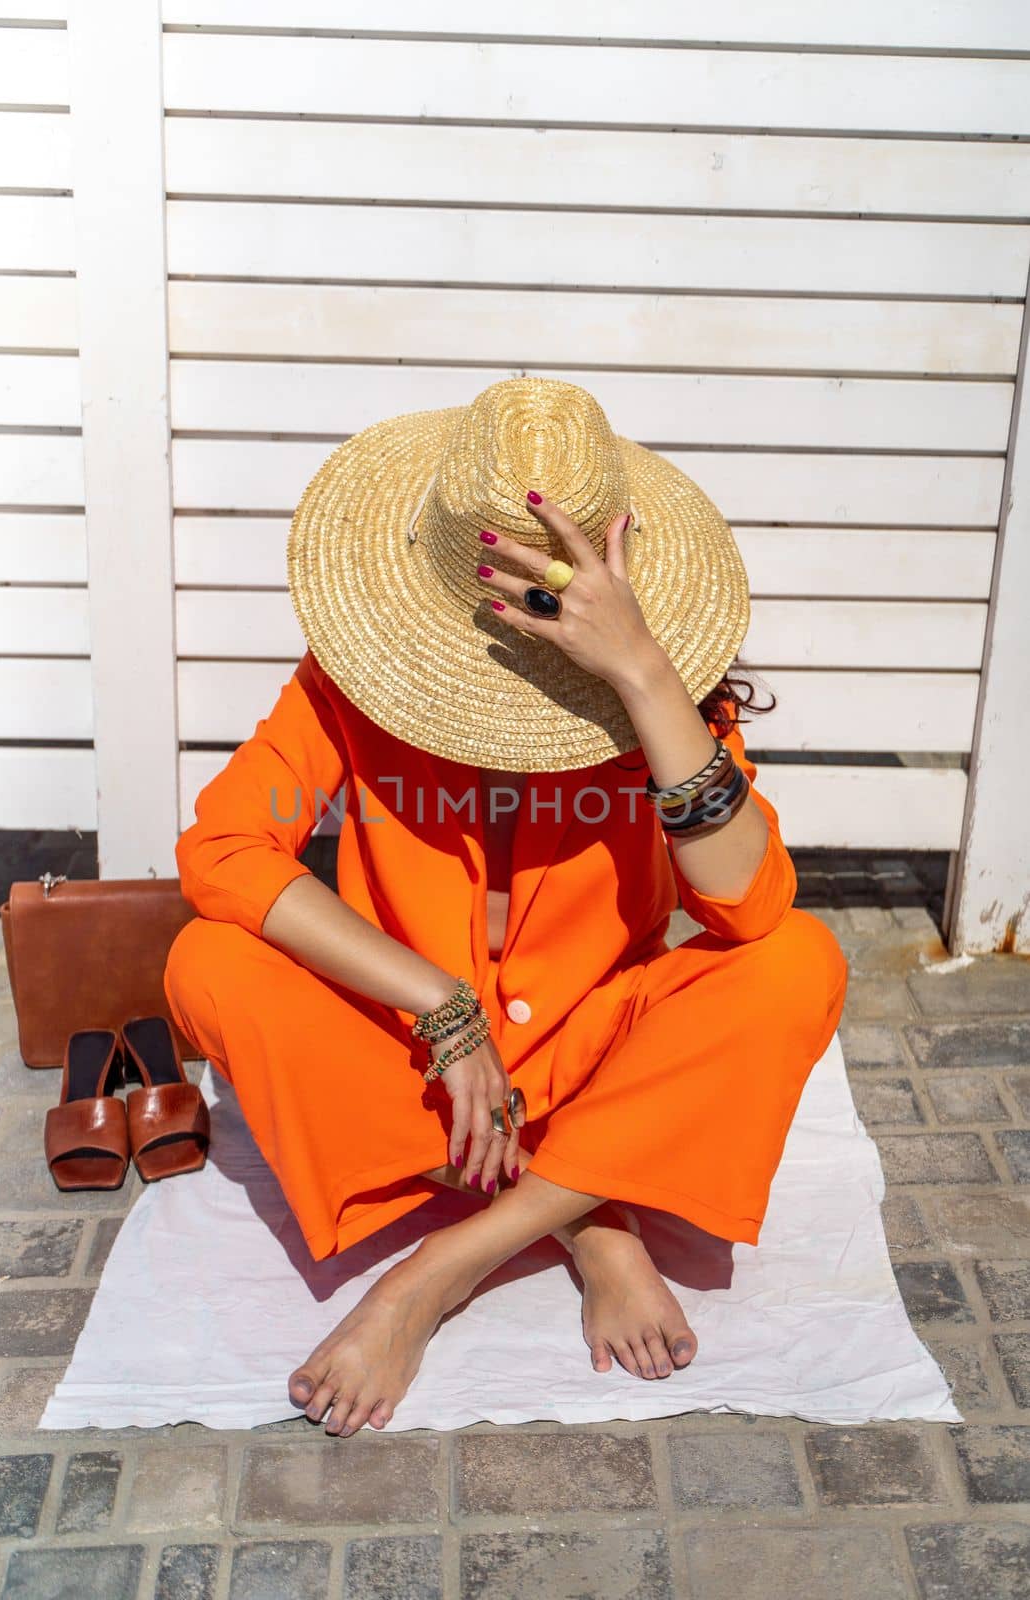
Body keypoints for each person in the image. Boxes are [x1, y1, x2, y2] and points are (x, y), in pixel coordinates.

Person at [164, 377, 848, 1439]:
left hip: (591, 1057)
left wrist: (638, 669)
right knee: (205, 964)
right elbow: (220, 850)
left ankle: (447, 1263)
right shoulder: (349, 681)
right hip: (419, 1066)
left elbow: (747, 907)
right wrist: (438, 1002)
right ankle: (587, 1212)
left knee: (799, 962)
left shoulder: (657, 684)